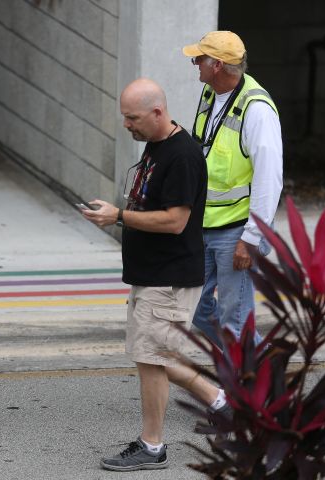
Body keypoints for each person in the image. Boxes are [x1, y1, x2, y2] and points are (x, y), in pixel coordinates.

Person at [82, 78, 230, 472]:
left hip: (169, 276)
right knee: (158, 356)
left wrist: (118, 216)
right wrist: (115, 213)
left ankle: (152, 447)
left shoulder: (181, 155)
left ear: (157, 113)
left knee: (150, 359)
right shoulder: (157, 144)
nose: (127, 125)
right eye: (124, 117)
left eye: (132, 118)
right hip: (152, 274)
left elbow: (176, 221)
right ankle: (223, 404)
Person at [182, 31, 283, 347]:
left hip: (235, 232)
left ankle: (242, 383)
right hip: (204, 223)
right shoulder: (211, 94)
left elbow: (270, 180)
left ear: (218, 65)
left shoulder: (257, 110)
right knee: (194, 308)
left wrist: (250, 239)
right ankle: (255, 360)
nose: (194, 62)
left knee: (234, 319)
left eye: (200, 58)